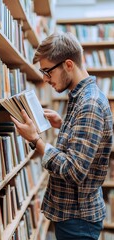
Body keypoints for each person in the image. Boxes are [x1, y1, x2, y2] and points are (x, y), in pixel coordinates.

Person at [11, 32, 113, 240]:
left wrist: (35, 140)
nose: (45, 79)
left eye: (47, 72)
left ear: (68, 64)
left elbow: (74, 170)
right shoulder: (80, 98)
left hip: (77, 220)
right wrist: (63, 123)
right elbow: (81, 147)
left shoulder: (89, 104)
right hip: (73, 216)